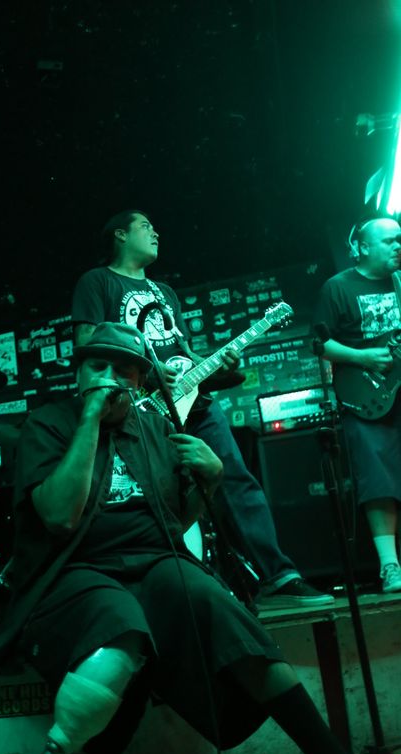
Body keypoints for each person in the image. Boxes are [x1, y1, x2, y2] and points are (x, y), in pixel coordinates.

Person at [0, 323, 397, 754]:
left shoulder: (153, 426)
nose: (108, 379)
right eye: (96, 367)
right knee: (119, 626)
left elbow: (171, 519)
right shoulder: (49, 424)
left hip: (154, 561)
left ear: (140, 382)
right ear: (78, 373)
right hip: (75, 569)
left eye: (123, 371)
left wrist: (209, 479)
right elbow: (59, 516)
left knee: (220, 610)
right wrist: (90, 421)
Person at [71, 209, 333, 609]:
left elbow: (183, 352)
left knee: (234, 478)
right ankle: (170, 589)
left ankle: (278, 577)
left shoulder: (164, 292)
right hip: (140, 408)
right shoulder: (97, 281)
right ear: (120, 235)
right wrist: (146, 370)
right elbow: (88, 344)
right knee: (158, 494)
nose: (156, 232)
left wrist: (218, 364)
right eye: (145, 226)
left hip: (195, 403)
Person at [315, 215, 401, 593]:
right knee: (378, 479)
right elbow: (321, 343)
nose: (398, 246)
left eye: (400, 240)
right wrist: (363, 357)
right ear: (364, 247)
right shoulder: (338, 287)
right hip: (366, 396)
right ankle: (390, 566)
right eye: (390, 241)